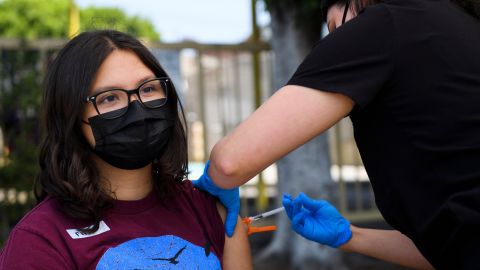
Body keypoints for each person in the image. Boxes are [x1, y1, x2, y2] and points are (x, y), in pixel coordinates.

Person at [193, 0, 480, 269]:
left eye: (334, 28)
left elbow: (229, 163)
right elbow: (445, 249)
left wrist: (215, 184)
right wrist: (349, 236)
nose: (339, 40)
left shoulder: (383, 24)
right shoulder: (462, 27)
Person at [0, 30, 252, 270]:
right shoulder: (40, 241)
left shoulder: (213, 214)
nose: (137, 108)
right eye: (109, 98)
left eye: (148, 88)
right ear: (72, 118)